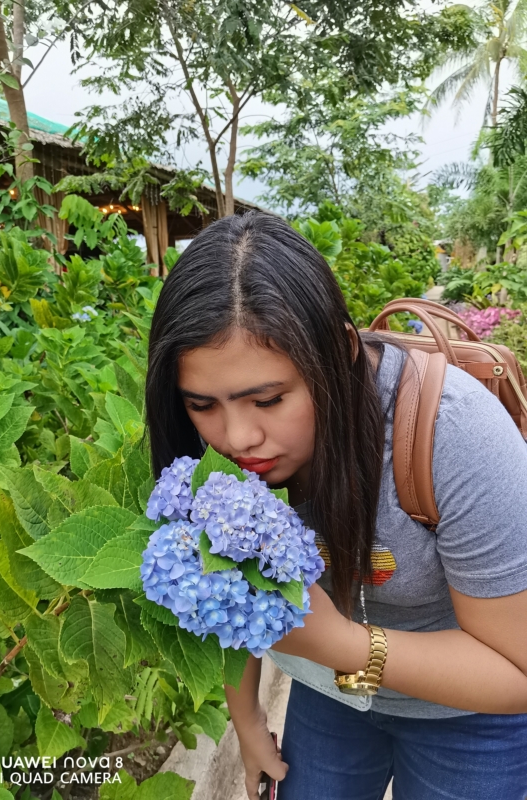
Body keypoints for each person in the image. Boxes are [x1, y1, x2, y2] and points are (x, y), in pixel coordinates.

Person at [145, 211, 527, 800]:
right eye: (201, 404)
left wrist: (344, 645)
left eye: (268, 400)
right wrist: (246, 719)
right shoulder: (228, 444)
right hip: (330, 699)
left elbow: (519, 673)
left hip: (470, 717)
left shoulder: (455, 436)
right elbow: (226, 585)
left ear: (342, 351)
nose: (237, 437)